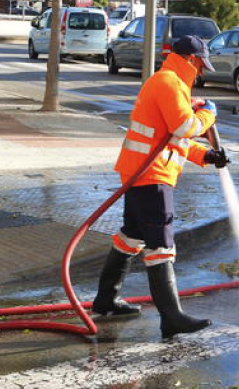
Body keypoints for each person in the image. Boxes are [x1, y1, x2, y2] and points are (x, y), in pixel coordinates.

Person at [91, 34, 230, 339]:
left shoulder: (170, 84)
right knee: (161, 245)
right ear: (191, 60)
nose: (202, 72)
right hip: (151, 176)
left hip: (142, 173)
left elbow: (174, 139)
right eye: (200, 65)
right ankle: (171, 317)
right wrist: (208, 114)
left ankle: (105, 300)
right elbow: (185, 127)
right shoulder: (168, 82)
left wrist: (205, 155)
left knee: (133, 236)